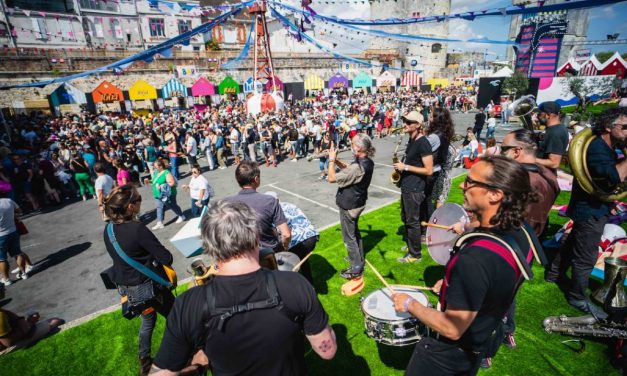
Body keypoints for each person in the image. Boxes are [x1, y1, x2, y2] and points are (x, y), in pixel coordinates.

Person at [150, 200, 336, 375]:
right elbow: (328, 351)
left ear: (207, 245)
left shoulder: (188, 304)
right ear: (256, 235)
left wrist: (198, 366)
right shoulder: (294, 284)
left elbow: (163, 372)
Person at [392, 156, 539, 375]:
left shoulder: (474, 259)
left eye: (470, 182)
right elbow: (493, 284)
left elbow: (452, 328)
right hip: (481, 340)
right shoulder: (522, 232)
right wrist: (455, 286)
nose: (462, 185)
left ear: (495, 195)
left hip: (451, 356)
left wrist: (409, 304)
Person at [546, 107, 627, 319]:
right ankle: (577, 296)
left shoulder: (608, 146)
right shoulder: (598, 148)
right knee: (586, 256)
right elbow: (613, 176)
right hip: (590, 208)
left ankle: (554, 273)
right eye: (625, 127)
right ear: (609, 127)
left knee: (573, 241)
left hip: (593, 206)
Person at [102, 184, 176, 375]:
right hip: (149, 286)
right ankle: (184, 351)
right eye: (138, 201)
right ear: (129, 207)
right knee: (177, 317)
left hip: (130, 288)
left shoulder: (108, 229)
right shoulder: (137, 228)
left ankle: (144, 361)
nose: (140, 204)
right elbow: (165, 257)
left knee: (148, 319)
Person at [224, 160, 291, 269]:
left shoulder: (227, 203)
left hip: (242, 256)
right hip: (268, 255)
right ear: (256, 179)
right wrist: (285, 246)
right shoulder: (270, 201)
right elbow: (286, 234)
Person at [327, 133, 375, 279]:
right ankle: (358, 259)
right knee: (355, 233)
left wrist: (330, 161)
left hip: (350, 205)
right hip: (357, 202)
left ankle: (355, 269)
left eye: (353, 144)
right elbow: (349, 168)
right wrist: (336, 160)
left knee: (349, 238)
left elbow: (331, 178)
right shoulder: (366, 161)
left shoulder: (359, 166)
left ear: (359, 147)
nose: (350, 145)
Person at [501, 129, 560, 236]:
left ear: (516, 151)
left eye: (503, 149)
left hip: (515, 239)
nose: (501, 153)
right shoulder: (549, 174)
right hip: (536, 236)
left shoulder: (516, 181)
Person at [394, 111, 433, 263]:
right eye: (405, 121)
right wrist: (400, 169)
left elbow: (428, 170)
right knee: (407, 219)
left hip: (415, 188)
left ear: (417, 125)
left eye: (409, 122)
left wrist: (406, 167)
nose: (405, 124)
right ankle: (412, 245)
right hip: (407, 186)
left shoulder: (423, 143)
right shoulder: (412, 139)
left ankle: (415, 254)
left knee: (412, 221)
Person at [265, 191, 319, 284]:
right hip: (311, 236)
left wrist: (285, 248)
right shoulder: (288, 204)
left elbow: (284, 234)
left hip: (296, 241)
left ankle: (298, 288)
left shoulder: (273, 212)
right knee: (302, 261)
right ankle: (309, 285)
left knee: (289, 266)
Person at [0, 192, 34, 286]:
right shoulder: (9, 201)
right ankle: (23, 274)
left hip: (1, 235)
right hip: (13, 231)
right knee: (18, 253)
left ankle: (6, 280)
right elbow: (19, 211)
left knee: (2, 259)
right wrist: (11, 216)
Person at [149, 159, 185, 230]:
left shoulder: (166, 173)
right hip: (158, 194)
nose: (154, 168)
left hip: (167, 194)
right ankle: (160, 223)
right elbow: (154, 181)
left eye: (155, 166)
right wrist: (149, 181)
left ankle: (181, 215)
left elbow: (172, 183)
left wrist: (161, 186)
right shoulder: (156, 172)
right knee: (159, 208)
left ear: (161, 166)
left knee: (172, 205)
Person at [535, 101, 569, 173]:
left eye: (540, 114)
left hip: (545, 176)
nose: (537, 116)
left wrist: (529, 159)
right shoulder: (557, 128)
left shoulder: (555, 133)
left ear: (548, 115)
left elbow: (554, 163)